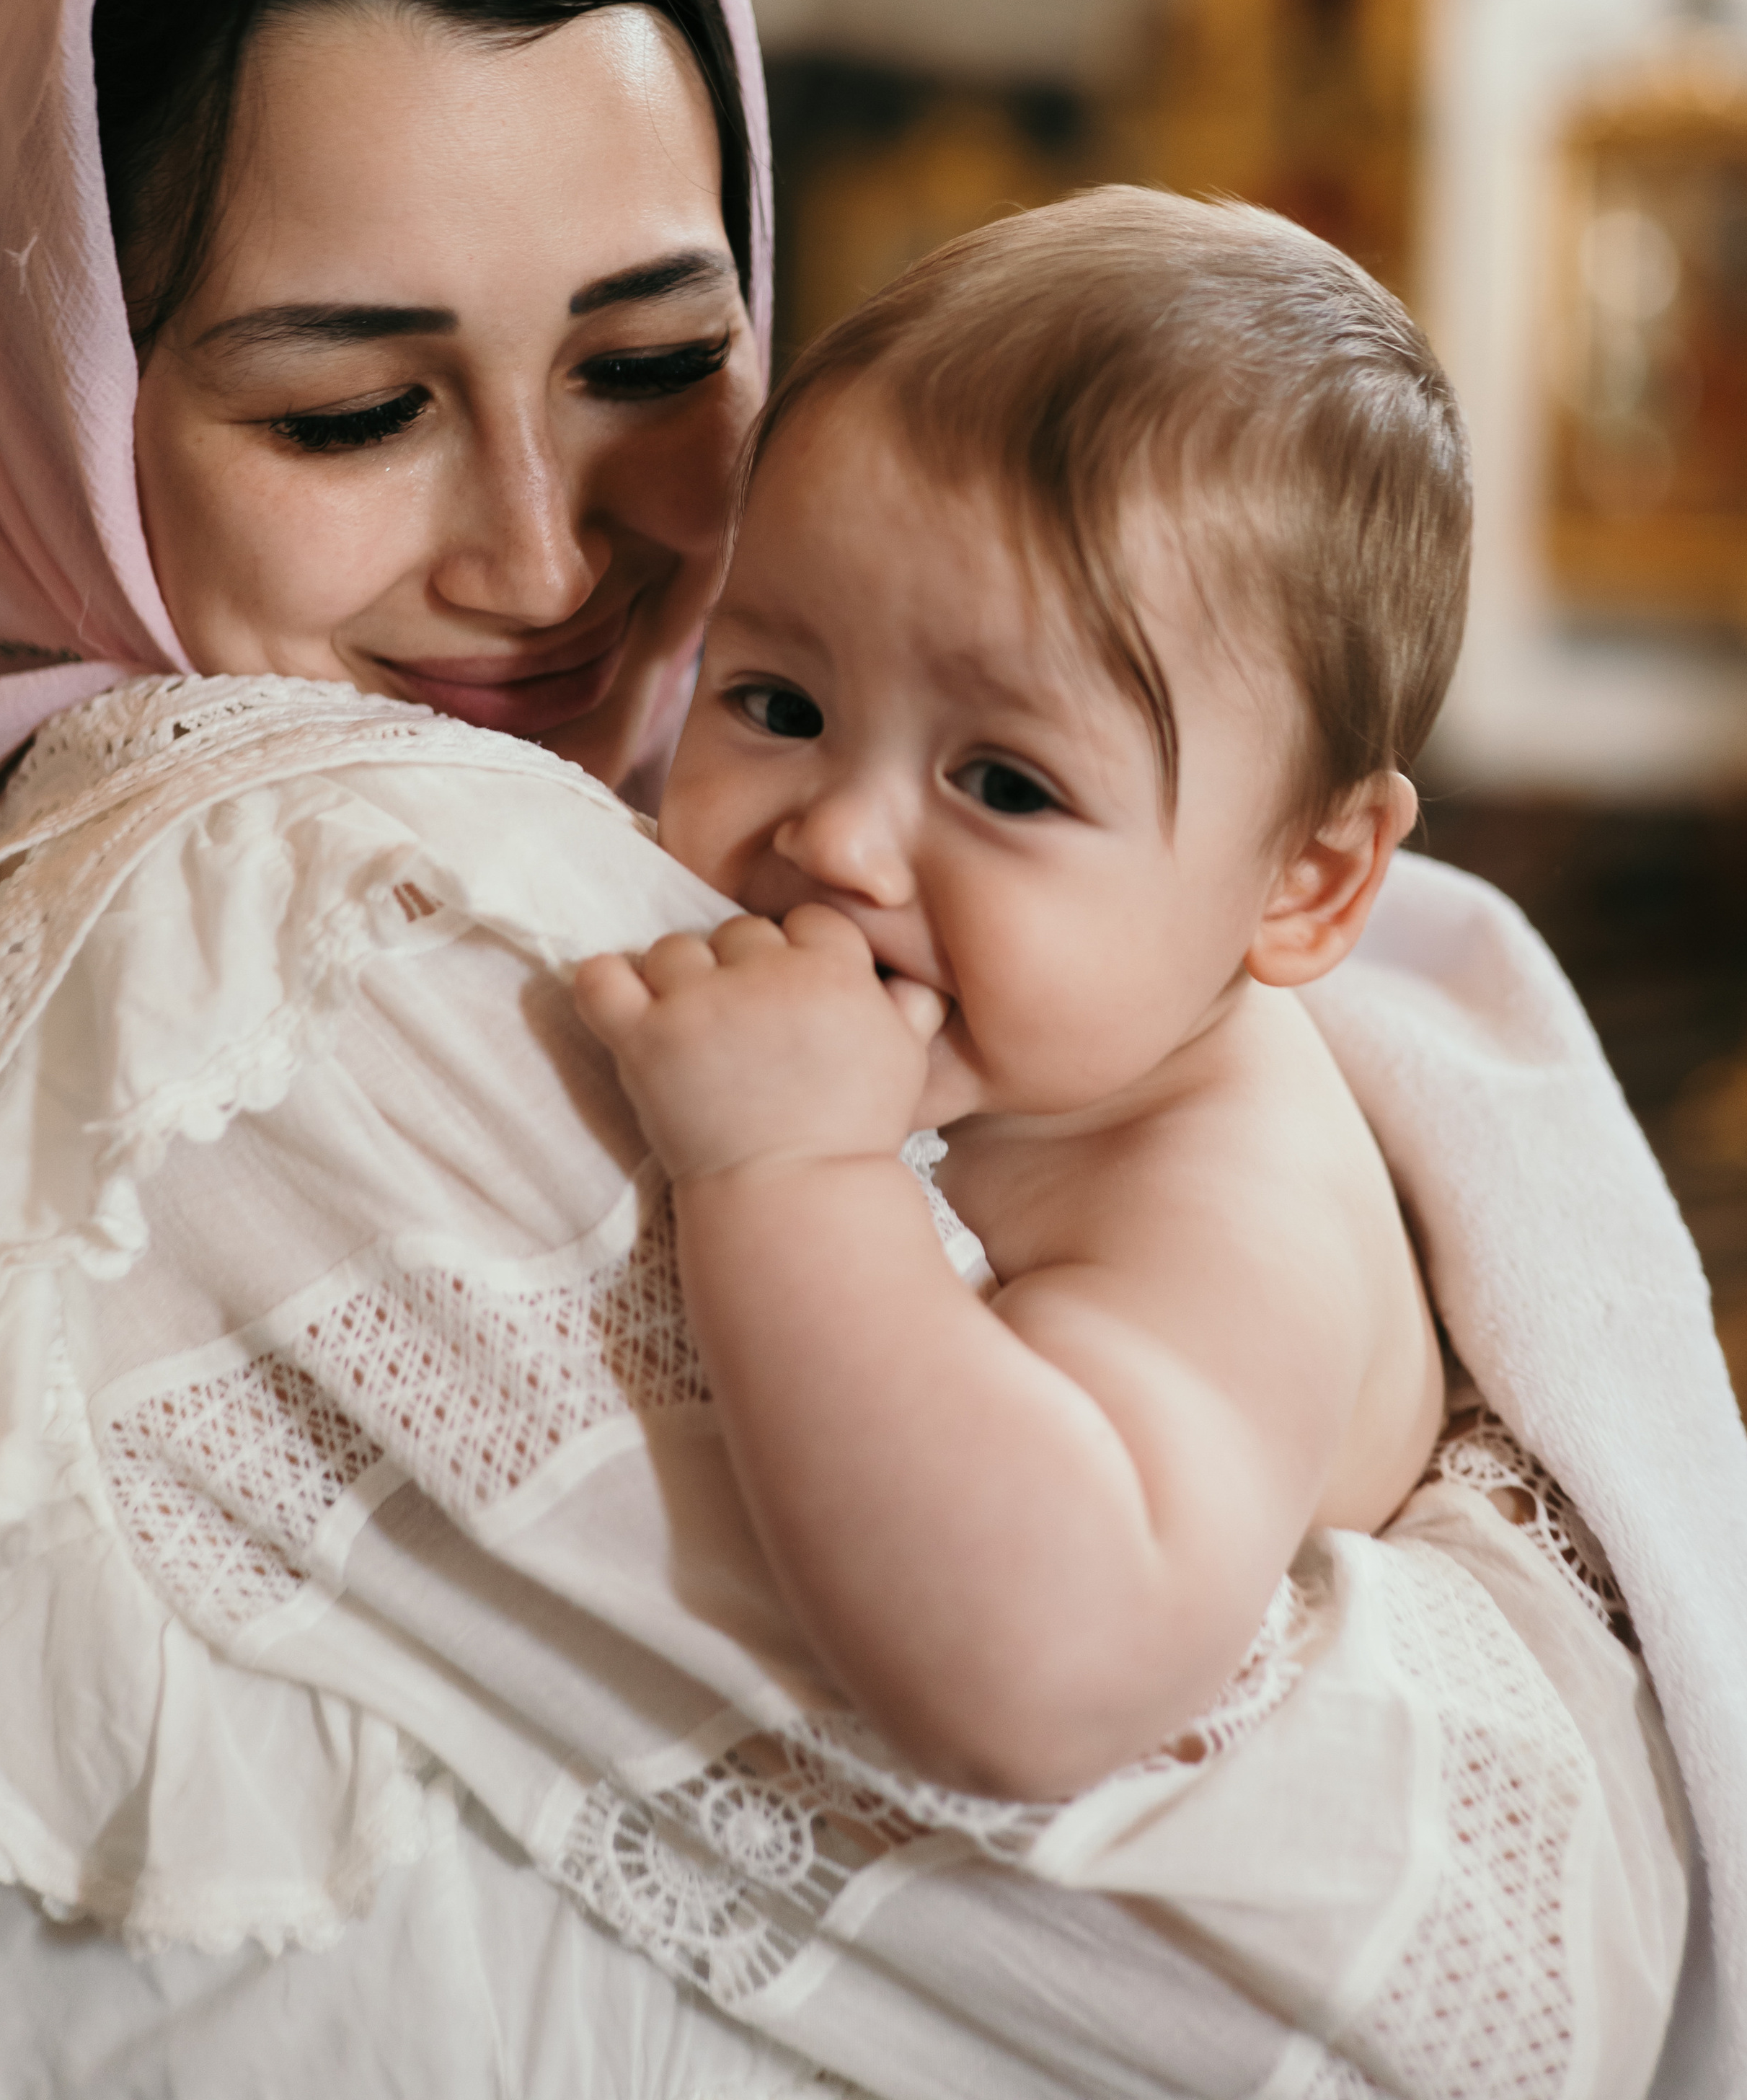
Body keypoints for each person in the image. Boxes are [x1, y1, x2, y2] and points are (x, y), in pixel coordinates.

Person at [0, 0, 1747, 2100]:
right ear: (56, 369)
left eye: (650, 366)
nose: (544, 556)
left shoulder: (978, 1001)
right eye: (350, 412)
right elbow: (1408, 1981)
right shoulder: (281, 913)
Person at [575, 193, 1461, 1796]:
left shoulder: (1222, 1195)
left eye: (1002, 781)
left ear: (1303, 883)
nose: (833, 836)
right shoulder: (1009, 1010)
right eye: (776, 701)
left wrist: (792, 1173)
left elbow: (1047, 1677)